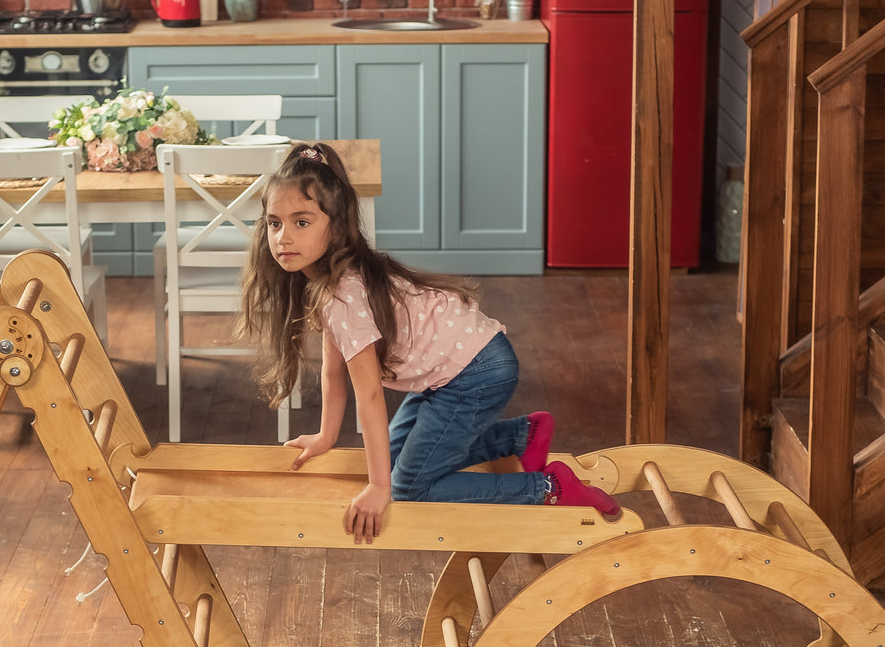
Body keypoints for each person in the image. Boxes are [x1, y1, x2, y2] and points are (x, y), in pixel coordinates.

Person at [238, 142, 621, 544]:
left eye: (302, 222)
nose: (283, 237)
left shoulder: (343, 296)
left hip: (475, 373)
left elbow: (368, 395)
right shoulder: (328, 281)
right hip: (449, 372)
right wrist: (326, 436)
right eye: (274, 223)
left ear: (335, 226)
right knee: (398, 461)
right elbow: (335, 369)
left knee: (408, 488)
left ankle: (549, 489)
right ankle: (522, 436)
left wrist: (378, 489)